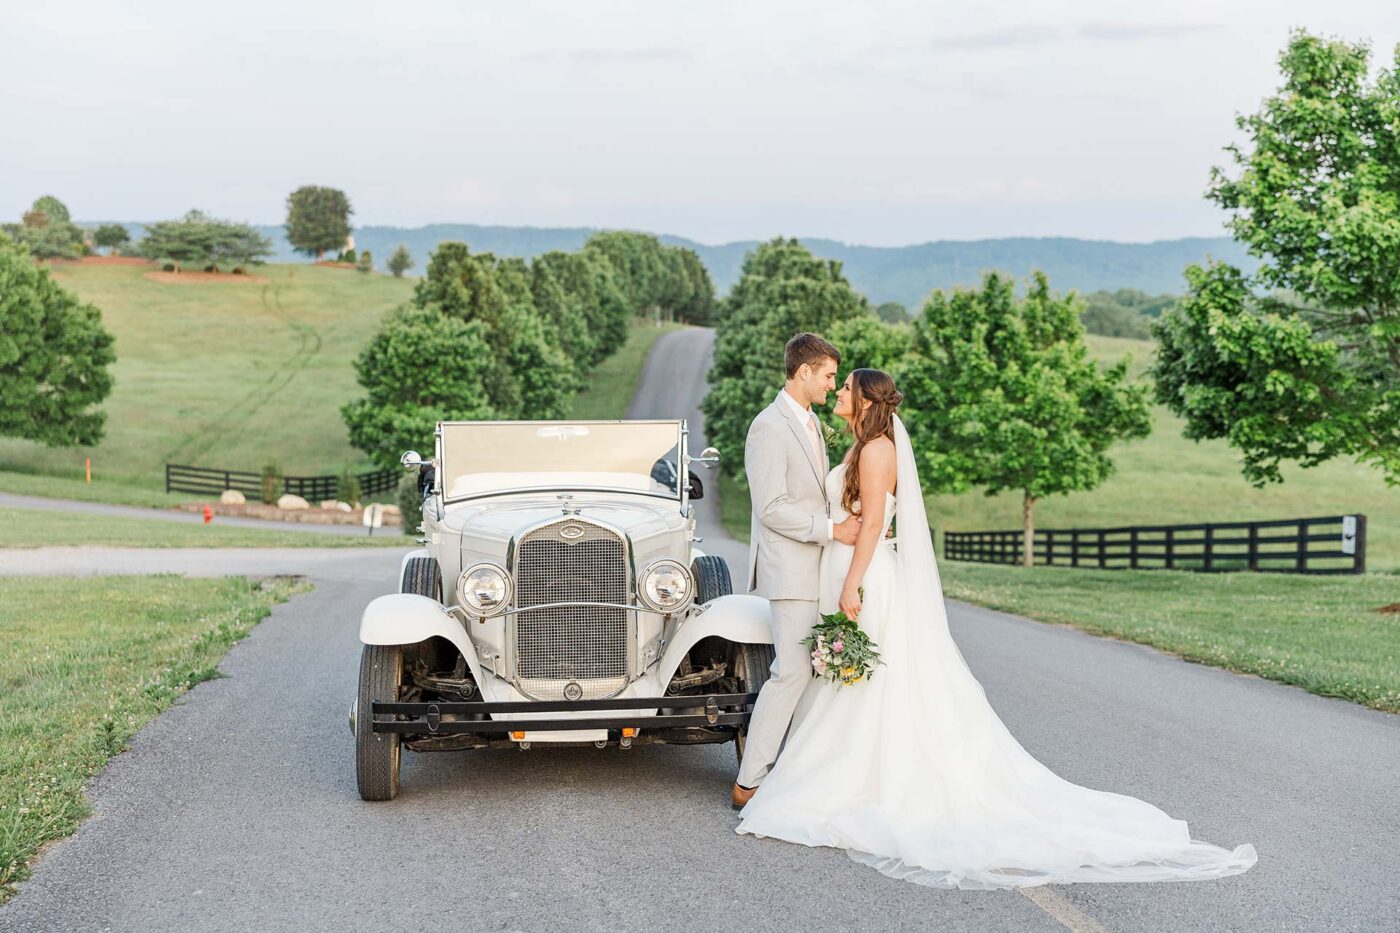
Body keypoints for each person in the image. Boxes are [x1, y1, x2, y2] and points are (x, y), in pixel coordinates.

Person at [735, 363, 1258, 890]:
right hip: (842, 570)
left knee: (868, 686)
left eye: (846, 387)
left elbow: (872, 522)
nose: (839, 391)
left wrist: (852, 584)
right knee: (847, 683)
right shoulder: (854, 445)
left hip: (865, 577)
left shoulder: (876, 451)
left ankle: (852, 780)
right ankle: (829, 772)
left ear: (867, 402)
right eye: (836, 382)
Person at [732, 333, 862, 810]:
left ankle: (797, 772)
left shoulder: (809, 422)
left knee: (812, 672)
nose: (832, 384)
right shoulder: (768, 426)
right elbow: (771, 508)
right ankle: (749, 780)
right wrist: (834, 530)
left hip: (819, 570)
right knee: (788, 673)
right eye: (828, 375)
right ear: (803, 371)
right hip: (790, 570)